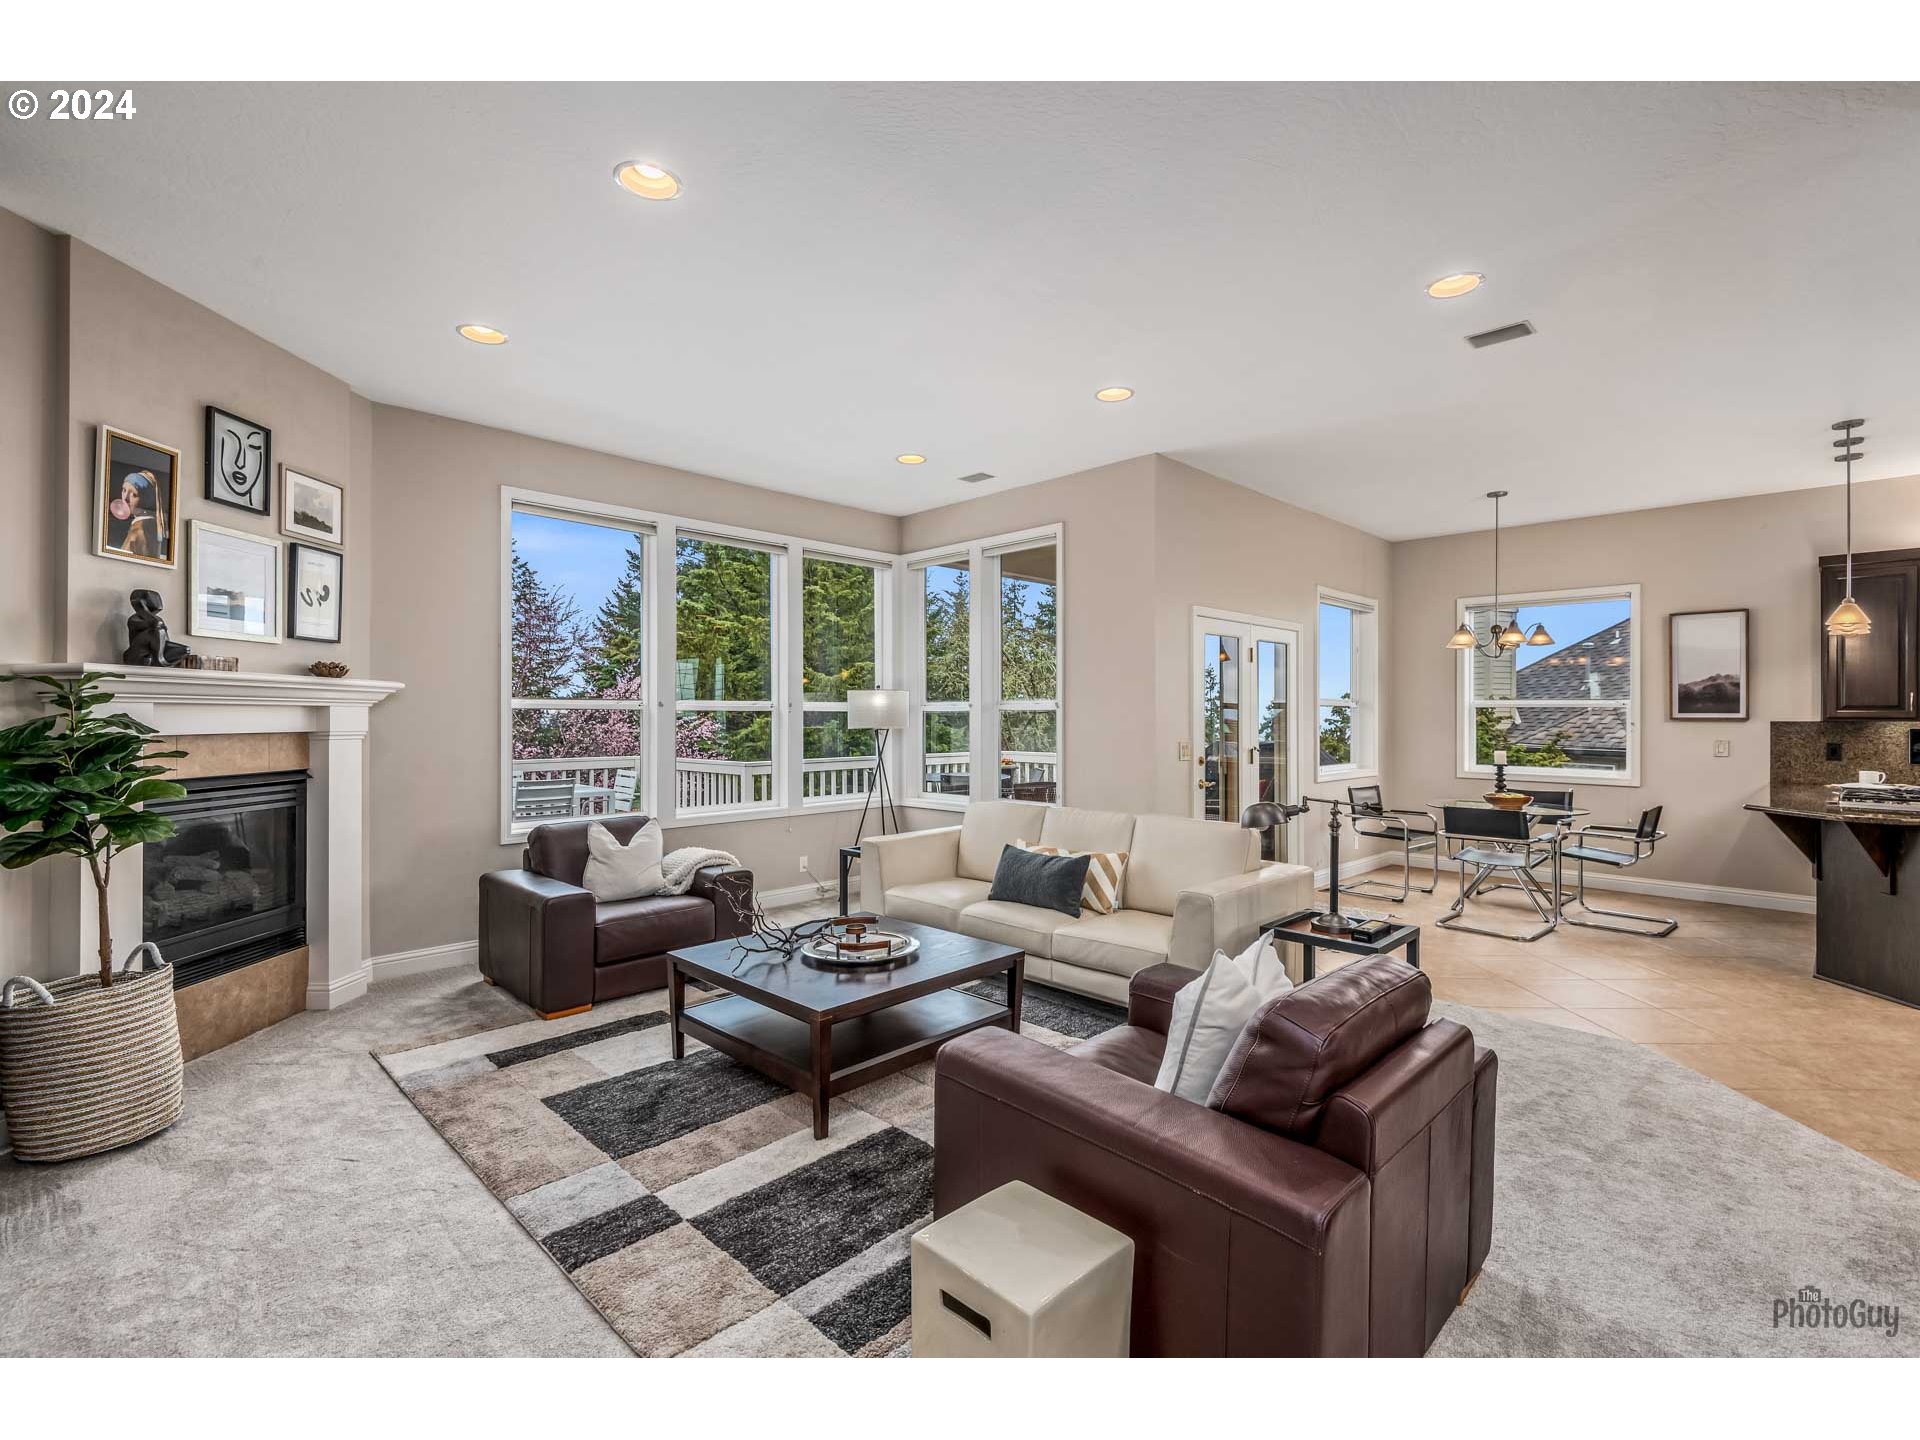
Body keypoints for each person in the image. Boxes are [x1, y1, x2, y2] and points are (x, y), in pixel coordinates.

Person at [107, 469, 166, 559]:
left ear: (147, 501)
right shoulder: (148, 524)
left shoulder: (139, 530)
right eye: (124, 490)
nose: (125, 498)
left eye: (134, 494)